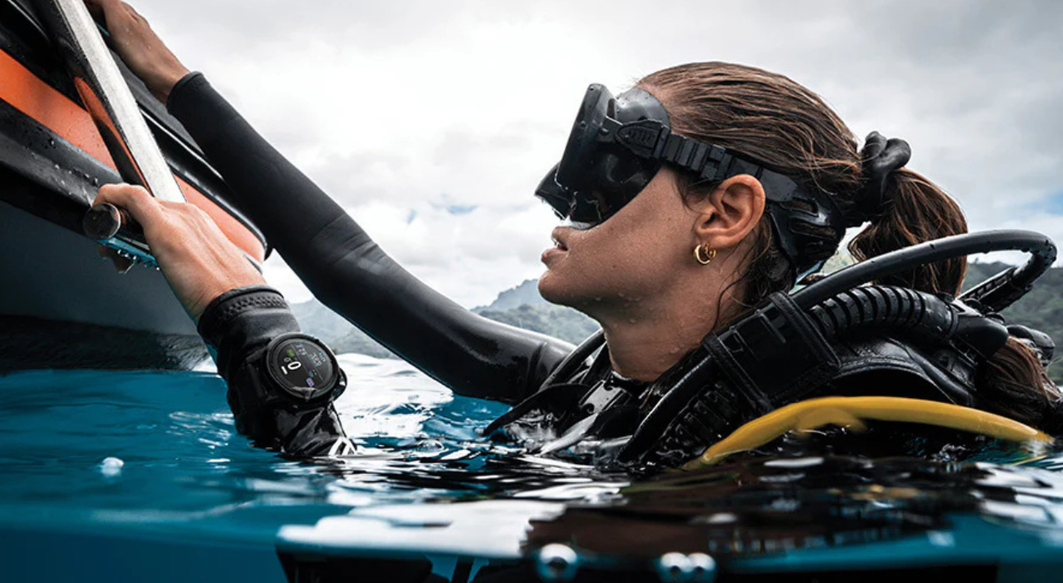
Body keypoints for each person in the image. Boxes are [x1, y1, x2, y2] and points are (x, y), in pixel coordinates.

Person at [84, 0, 1061, 465]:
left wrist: (255, 330)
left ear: (725, 213)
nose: (566, 209)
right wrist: (172, 79)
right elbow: (359, 270)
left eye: (611, 172)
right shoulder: (612, 382)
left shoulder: (826, 436)